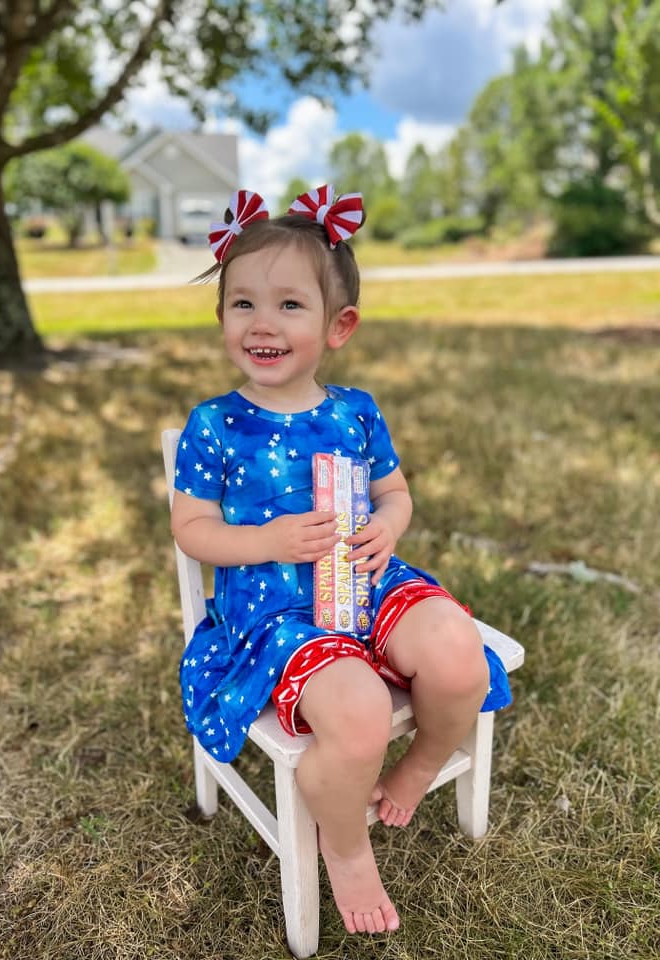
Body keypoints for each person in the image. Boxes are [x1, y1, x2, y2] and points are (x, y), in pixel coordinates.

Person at [171, 185, 512, 936]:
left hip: (365, 578)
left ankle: (420, 765)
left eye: (290, 305)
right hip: (273, 610)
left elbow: (395, 492)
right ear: (222, 317)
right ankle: (346, 844)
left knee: (459, 654)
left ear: (338, 326)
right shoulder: (215, 425)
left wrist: (389, 526)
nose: (263, 323)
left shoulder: (355, 411)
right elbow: (191, 528)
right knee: (355, 714)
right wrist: (264, 540)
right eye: (243, 305)